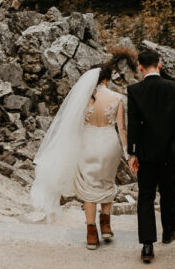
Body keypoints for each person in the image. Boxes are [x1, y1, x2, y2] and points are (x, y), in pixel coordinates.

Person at [31, 62, 128, 249]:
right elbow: (122, 128)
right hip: (109, 143)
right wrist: (127, 151)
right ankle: (106, 225)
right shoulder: (117, 98)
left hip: (87, 143)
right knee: (107, 182)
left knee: (88, 185)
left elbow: (73, 125)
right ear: (107, 79)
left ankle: (91, 233)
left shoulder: (83, 98)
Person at [127, 47, 175, 263]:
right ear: (159, 64)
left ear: (140, 67)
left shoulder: (134, 90)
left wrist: (132, 152)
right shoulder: (174, 87)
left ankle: (147, 245)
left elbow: (133, 125)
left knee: (146, 196)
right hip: (170, 151)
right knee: (167, 191)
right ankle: (169, 231)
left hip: (146, 152)